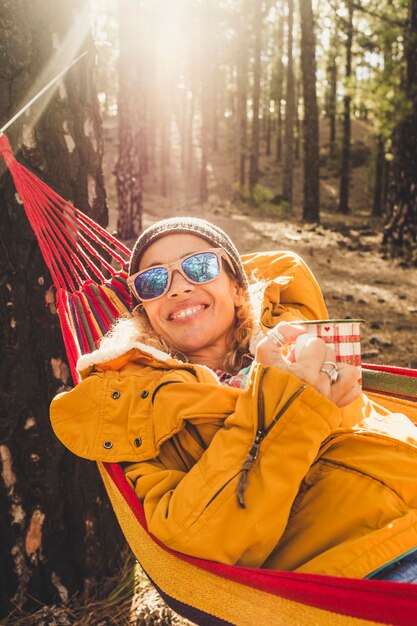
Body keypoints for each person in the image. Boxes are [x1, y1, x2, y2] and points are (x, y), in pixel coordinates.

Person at [50, 216, 417, 582]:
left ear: (238, 289)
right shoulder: (138, 410)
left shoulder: (293, 337)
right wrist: (289, 402)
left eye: (199, 265)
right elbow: (194, 536)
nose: (177, 289)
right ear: (144, 312)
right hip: (369, 564)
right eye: (153, 281)